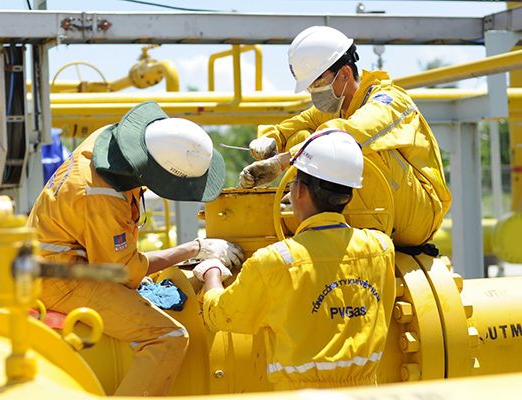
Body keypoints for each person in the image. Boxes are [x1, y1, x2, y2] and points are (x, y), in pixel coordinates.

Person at [28, 101, 244, 396]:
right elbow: (125, 273)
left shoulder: (109, 144)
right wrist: (195, 248)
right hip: (60, 280)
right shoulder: (99, 195)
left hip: (51, 263)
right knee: (168, 336)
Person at [194, 130, 395, 390]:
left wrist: (212, 273)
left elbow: (222, 316)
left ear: (298, 190)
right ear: (350, 195)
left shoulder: (275, 261)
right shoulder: (381, 248)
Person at [240, 26, 451, 248]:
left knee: (349, 148)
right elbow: (294, 126)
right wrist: (272, 140)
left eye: (318, 83)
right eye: (310, 87)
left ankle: (323, 217)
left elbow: (350, 134)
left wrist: (283, 162)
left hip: (417, 217)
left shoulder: (391, 101)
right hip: (376, 212)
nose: (314, 92)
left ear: (345, 74)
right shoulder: (340, 108)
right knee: (301, 136)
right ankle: (320, 223)